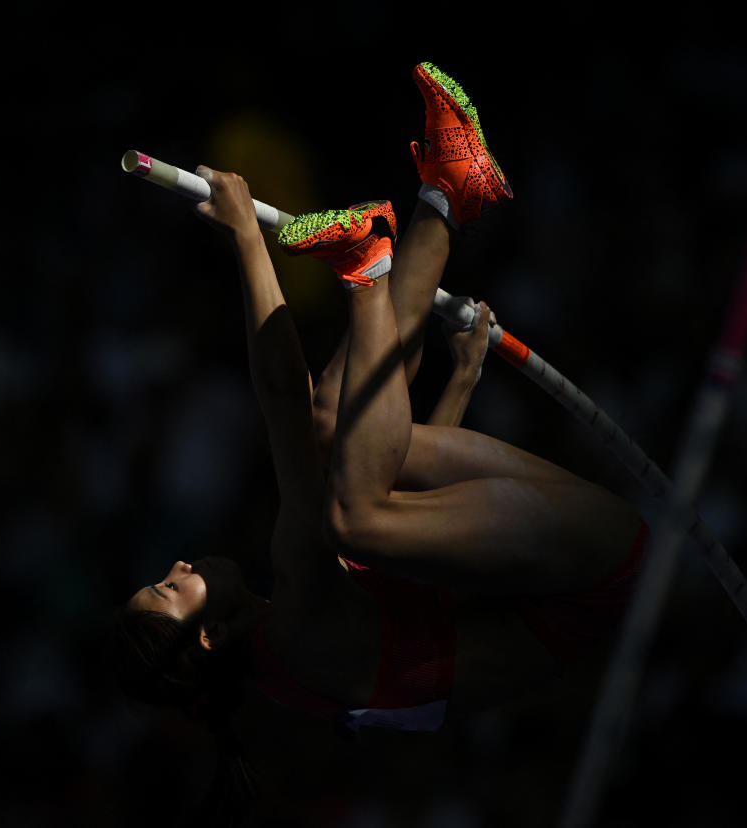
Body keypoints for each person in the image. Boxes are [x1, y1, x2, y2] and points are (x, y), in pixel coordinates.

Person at [112, 61, 647, 817]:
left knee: (341, 435)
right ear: (209, 637)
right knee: (346, 498)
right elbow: (280, 405)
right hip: (590, 576)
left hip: (543, 548)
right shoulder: (295, 632)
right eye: (173, 588)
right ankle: (366, 269)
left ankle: (450, 192)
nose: (176, 564)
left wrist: (458, 386)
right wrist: (245, 241)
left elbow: (411, 515)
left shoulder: (301, 643)